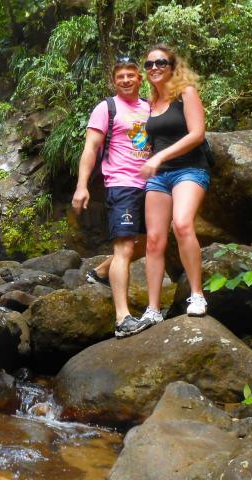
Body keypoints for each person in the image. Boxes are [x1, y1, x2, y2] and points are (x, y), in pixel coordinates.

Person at [72, 56, 151, 338]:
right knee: (126, 248)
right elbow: (91, 148)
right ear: (114, 81)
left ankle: (103, 271)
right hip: (121, 184)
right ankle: (122, 319)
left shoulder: (151, 108)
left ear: (140, 78)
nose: (126, 80)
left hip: (151, 186)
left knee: (151, 243)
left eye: (131, 75)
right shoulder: (107, 108)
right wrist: (82, 186)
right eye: (121, 77)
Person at [136, 44, 210, 331]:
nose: (154, 68)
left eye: (160, 63)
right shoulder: (150, 103)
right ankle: (153, 309)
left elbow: (197, 134)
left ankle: (197, 295)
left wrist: (160, 156)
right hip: (159, 177)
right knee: (154, 240)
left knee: (181, 224)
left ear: (172, 66)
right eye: (149, 64)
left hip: (189, 170)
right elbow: (149, 141)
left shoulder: (185, 93)